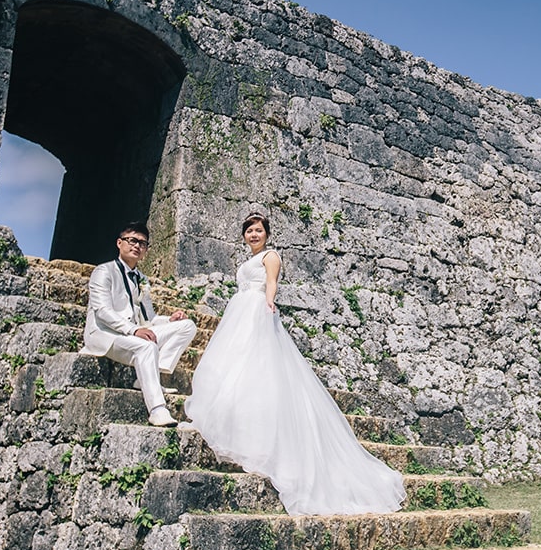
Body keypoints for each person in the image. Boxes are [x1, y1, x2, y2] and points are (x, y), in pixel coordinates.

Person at [184, 212, 406, 515]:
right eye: (249, 230)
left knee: (256, 369)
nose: (253, 234)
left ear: (266, 233)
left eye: (258, 230)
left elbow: (271, 283)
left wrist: (269, 304)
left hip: (255, 311)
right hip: (237, 314)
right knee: (235, 370)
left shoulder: (271, 256)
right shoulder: (245, 263)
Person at [81, 222, 198, 427]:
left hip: (132, 332)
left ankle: (152, 374)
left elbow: (148, 319)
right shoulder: (104, 271)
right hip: (105, 334)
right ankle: (157, 410)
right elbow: (102, 311)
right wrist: (134, 330)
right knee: (147, 345)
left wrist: (169, 320)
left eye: (142, 243)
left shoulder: (142, 279)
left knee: (187, 326)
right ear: (120, 243)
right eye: (132, 240)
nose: (137, 246)